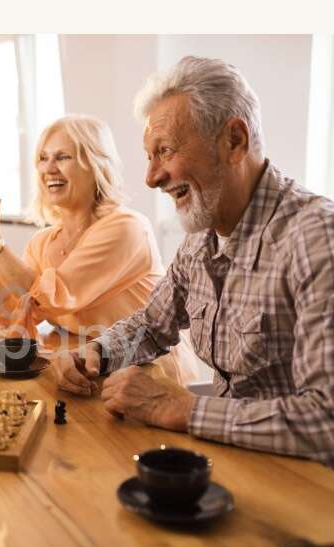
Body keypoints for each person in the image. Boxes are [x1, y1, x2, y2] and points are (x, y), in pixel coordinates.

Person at [56, 56, 334, 467]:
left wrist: (180, 408)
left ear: (234, 141)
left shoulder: (317, 238)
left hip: (304, 489)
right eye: (149, 156)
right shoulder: (200, 236)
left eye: (164, 151)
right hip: (229, 464)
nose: (151, 177)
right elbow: (152, 325)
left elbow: (325, 422)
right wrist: (98, 352)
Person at [0, 114, 197, 385]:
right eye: (42, 158)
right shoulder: (42, 242)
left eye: (62, 157)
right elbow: (10, 315)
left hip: (147, 368)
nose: (48, 168)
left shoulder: (127, 228)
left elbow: (53, 296)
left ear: (95, 164)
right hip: (84, 364)